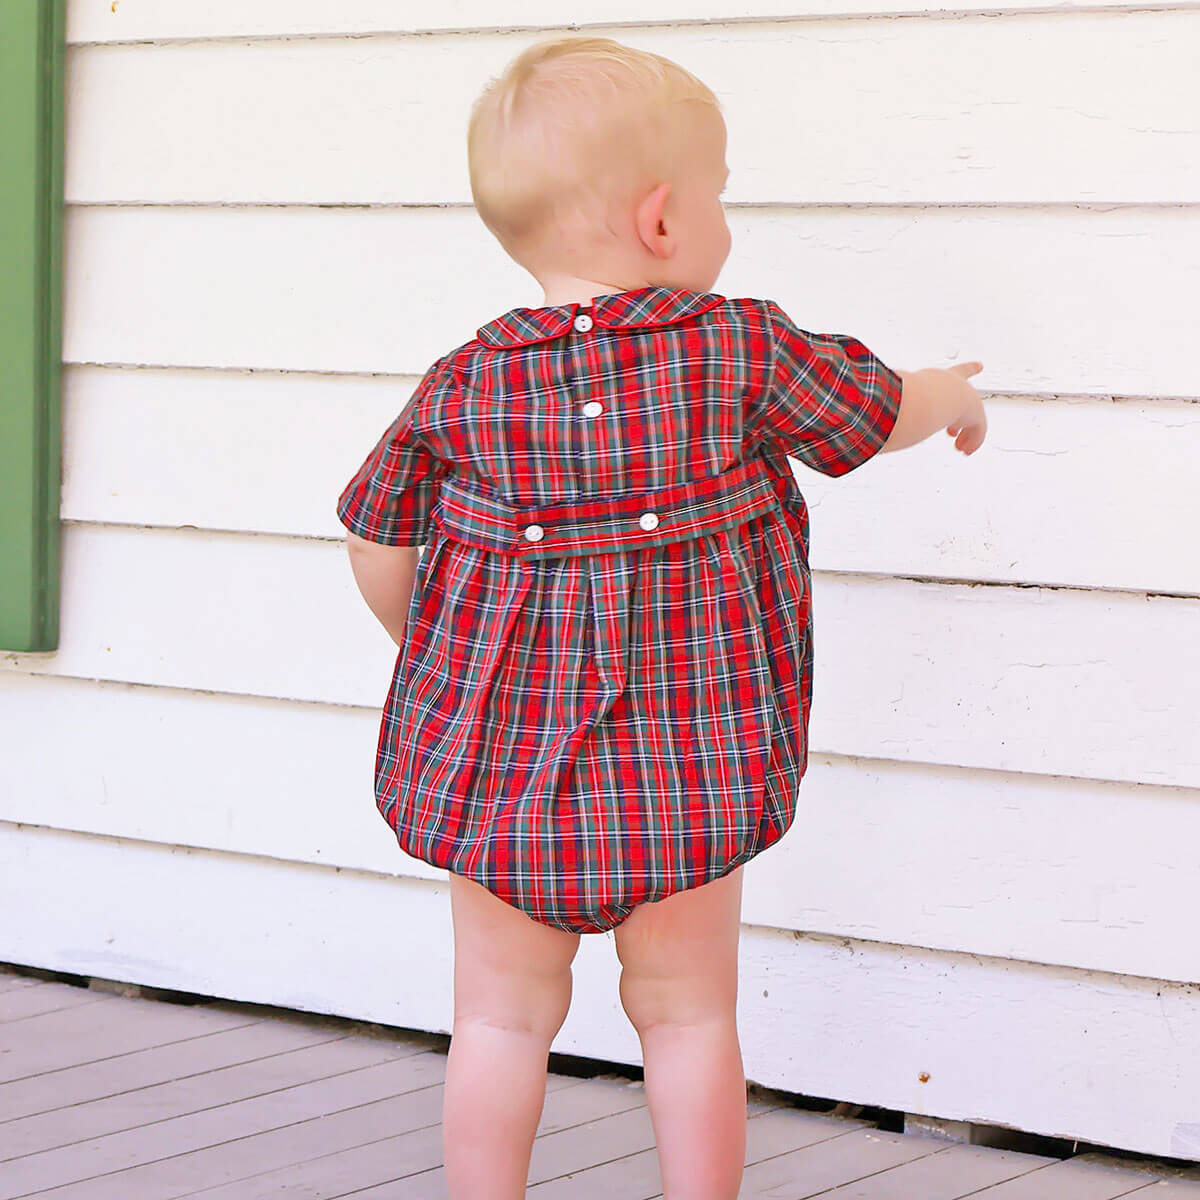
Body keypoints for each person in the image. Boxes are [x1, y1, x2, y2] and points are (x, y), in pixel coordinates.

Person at [336, 34, 986, 1200]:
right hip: (688, 770)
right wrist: (953, 395)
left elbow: (377, 537)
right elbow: (873, 410)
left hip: (500, 770)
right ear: (662, 223)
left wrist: (436, 656)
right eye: (719, 195)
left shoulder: (462, 384)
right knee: (687, 1016)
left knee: (495, 1020)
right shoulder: (740, 350)